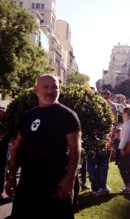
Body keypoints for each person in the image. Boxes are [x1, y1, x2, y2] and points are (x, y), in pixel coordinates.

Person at [5, 74, 81, 219]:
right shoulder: (28, 116)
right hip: (28, 185)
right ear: (36, 90)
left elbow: (75, 151)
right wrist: (11, 176)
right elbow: (17, 148)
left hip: (56, 184)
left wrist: (69, 179)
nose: (50, 91)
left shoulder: (68, 116)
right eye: (45, 87)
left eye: (55, 87)